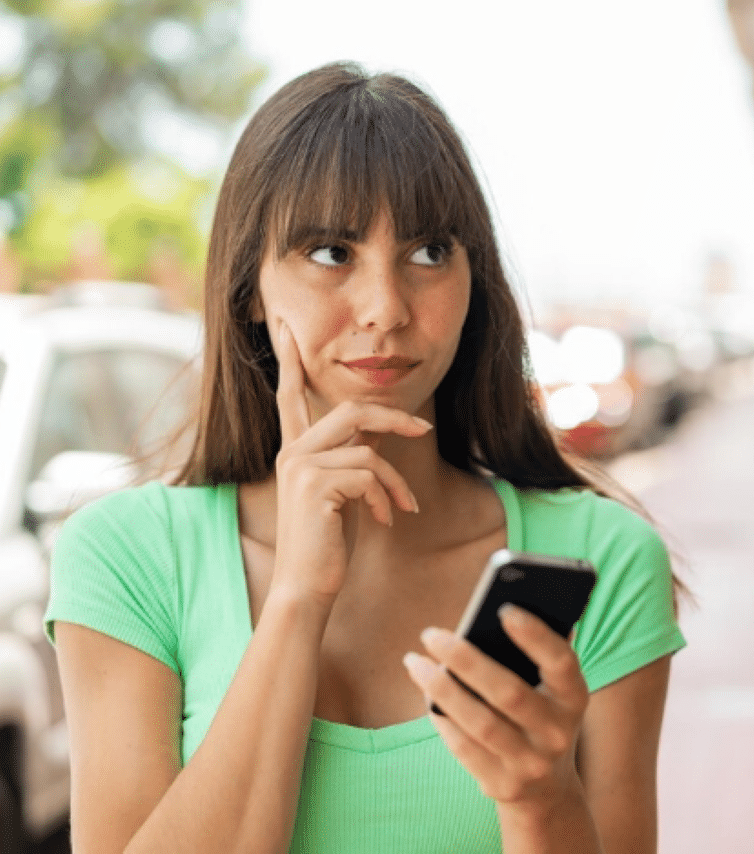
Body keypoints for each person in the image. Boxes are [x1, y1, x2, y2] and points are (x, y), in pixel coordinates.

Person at [44, 63, 686, 853]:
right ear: (249, 286)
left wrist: (539, 799)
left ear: (471, 279)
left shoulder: (601, 560)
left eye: (428, 252)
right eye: (330, 252)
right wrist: (296, 600)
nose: (385, 308)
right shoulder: (126, 556)